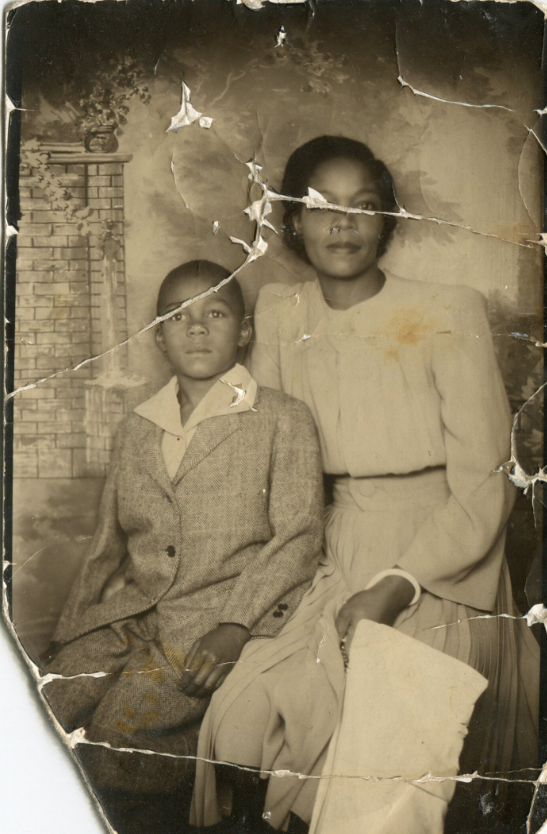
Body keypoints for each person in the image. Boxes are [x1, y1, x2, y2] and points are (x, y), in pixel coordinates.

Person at [191, 138, 540, 833]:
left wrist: (393, 585)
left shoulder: (448, 308)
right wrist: (242, 611)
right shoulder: (283, 316)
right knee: (244, 715)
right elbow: (274, 475)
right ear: (292, 222)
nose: (342, 224)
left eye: (363, 206)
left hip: (443, 554)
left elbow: (485, 486)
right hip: (332, 541)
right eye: (321, 207)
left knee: (380, 740)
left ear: (386, 221)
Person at [42, 260, 324, 834]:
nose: (196, 327)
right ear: (158, 334)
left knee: (122, 738)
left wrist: (236, 626)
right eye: (179, 316)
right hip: (132, 617)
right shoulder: (138, 428)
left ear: (243, 331)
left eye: (215, 313)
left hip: (208, 623)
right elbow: (105, 546)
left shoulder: (282, 419)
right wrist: (68, 633)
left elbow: (298, 537)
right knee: (41, 707)